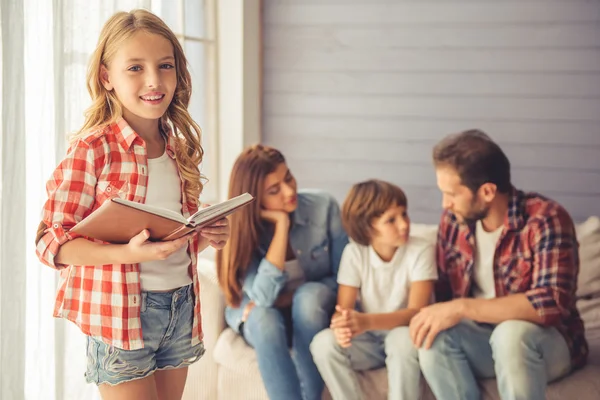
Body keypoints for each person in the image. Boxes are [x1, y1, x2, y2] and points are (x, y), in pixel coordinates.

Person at [35, 10, 230, 400]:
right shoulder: (92, 150)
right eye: (136, 68)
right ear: (107, 77)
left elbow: (168, 242)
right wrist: (127, 253)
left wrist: (205, 234)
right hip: (119, 316)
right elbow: (49, 244)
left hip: (181, 308)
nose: (154, 81)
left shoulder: (178, 148)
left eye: (165, 66)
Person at [409, 129, 588, 400]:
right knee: (433, 336)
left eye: (452, 194)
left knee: (510, 334)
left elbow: (550, 304)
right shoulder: (453, 222)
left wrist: (462, 308)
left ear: (487, 191)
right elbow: (444, 295)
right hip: (481, 339)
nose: (445, 204)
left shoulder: (545, 219)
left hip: (546, 343)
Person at [216, 144, 348, 400]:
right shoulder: (242, 228)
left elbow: (344, 277)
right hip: (262, 316)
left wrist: (292, 297)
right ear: (254, 199)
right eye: (274, 190)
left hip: (312, 311)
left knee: (308, 297)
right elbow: (262, 299)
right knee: (264, 319)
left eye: (288, 177)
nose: (289, 191)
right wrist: (281, 225)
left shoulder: (323, 207)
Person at [310, 179, 437, 400]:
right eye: (391, 220)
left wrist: (366, 321)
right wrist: (343, 325)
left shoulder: (421, 250)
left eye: (404, 214)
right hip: (369, 341)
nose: (404, 224)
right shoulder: (354, 253)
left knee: (401, 341)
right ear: (368, 228)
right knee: (323, 344)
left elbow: (416, 313)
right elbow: (344, 309)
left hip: (404, 333)